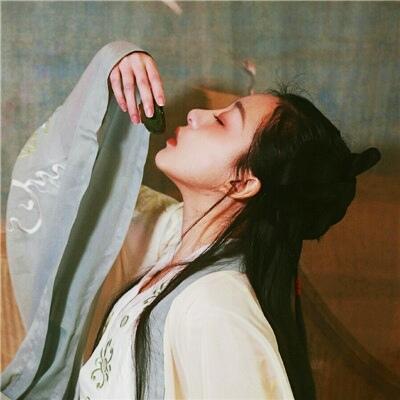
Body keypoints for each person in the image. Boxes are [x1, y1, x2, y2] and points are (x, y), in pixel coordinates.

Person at [1, 41, 381, 400]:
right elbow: (66, 198)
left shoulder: (216, 308)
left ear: (242, 183)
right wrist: (115, 61)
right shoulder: (174, 240)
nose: (197, 114)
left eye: (223, 122)